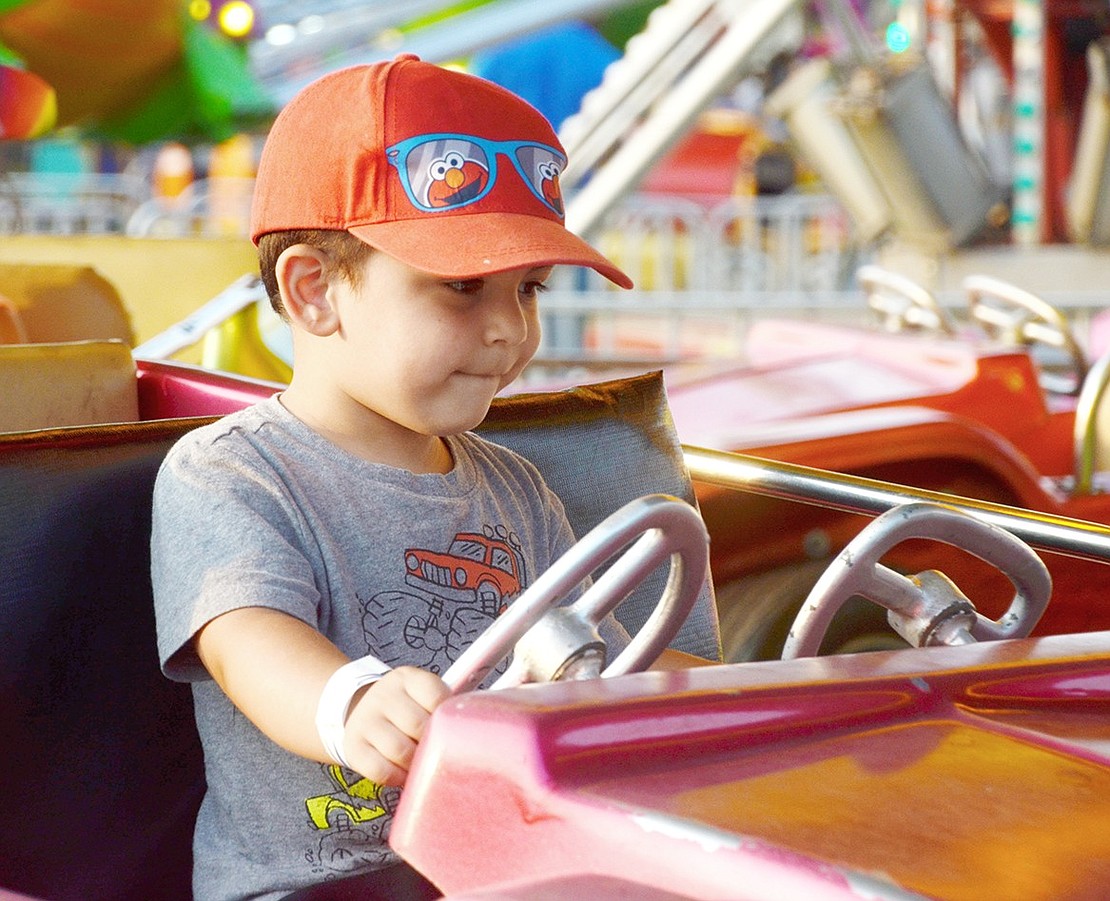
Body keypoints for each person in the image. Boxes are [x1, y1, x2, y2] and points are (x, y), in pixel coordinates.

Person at [152, 55, 694, 901]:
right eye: (463, 288)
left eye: (529, 289)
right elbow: (247, 639)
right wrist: (350, 704)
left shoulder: (518, 489)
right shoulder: (231, 473)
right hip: (319, 881)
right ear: (315, 291)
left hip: (488, 865)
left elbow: (593, 667)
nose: (509, 330)